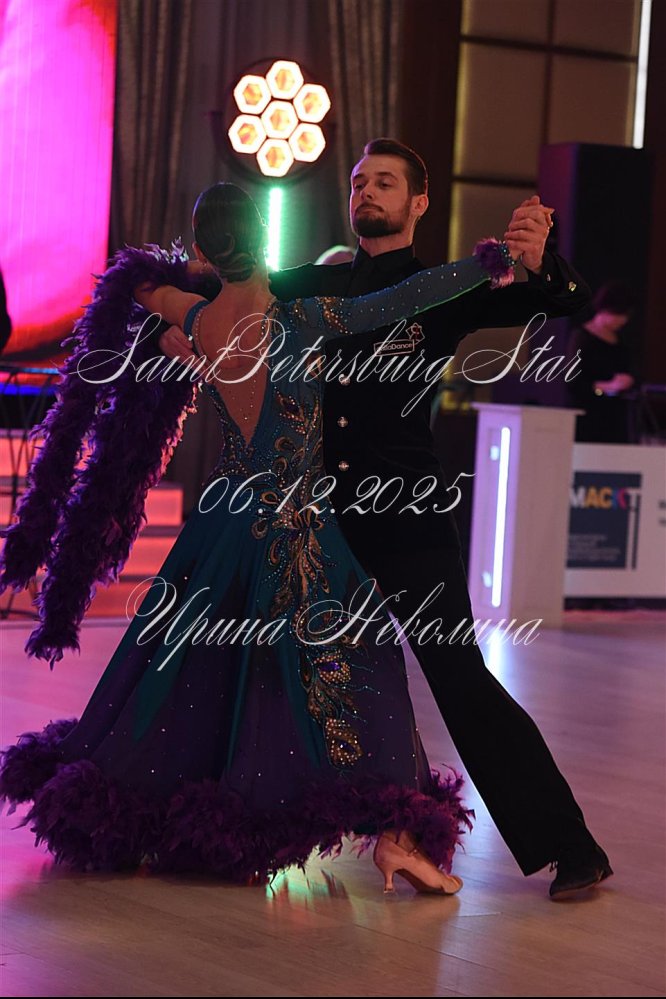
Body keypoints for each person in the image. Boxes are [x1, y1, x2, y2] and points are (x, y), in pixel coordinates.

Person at [0, 183, 520, 891]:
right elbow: (408, 297)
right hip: (299, 526)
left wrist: (176, 289)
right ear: (265, 241)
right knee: (363, 663)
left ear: (206, 250)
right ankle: (398, 835)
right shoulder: (305, 317)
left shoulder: (199, 317)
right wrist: (489, 261)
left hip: (222, 523)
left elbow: (140, 286)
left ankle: (197, 818)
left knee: (194, 672)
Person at [157, 139, 613, 900]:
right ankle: (242, 825)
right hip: (317, 524)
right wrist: (166, 326)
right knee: (274, 667)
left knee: (459, 677)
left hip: (405, 519)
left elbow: (560, 299)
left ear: (418, 202)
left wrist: (542, 260)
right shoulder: (311, 284)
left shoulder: (444, 288)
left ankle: (571, 845)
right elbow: (213, 292)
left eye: (387, 182)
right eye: (360, 181)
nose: (367, 191)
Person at [566, 282, 638, 443]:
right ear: (604, 310)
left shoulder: (622, 340)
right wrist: (605, 386)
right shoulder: (581, 337)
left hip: (616, 417)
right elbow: (573, 381)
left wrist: (629, 380)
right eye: (618, 314)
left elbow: (632, 369)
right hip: (589, 416)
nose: (623, 320)